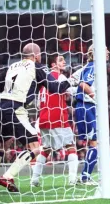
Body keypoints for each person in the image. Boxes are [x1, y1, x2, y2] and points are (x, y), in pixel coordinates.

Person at [0, 43, 77, 192]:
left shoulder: (12, 66)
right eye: (39, 55)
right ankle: (7, 177)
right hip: (16, 108)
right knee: (35, 146)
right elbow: (54, 88)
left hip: (0, 108)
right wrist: (70, 81)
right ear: (35, 56)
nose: (40, 57)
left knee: (4, 145)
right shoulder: (37, 67)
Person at [30, 53, 79, 187]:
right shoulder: (61, 77)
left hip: (44, 118)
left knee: (46, 149)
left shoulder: (43, 80)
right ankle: (72, 178)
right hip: (58, 117)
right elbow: (72, 92)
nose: (64, 62)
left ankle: (34, 179)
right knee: (71, 147)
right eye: (61, 60)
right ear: (53, 65)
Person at [75, 45, 110, 185]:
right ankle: (85, 176)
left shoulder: (92, 67)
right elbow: (83, 84)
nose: (107, 52)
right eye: (104, 49)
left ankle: (85, 175)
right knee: (94, 142)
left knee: (93, 142)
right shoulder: (93, 66)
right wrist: (96, 97)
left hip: (85, 106)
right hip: (87, 106)